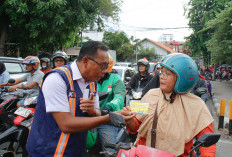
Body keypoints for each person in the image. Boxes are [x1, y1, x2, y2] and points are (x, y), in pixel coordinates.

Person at [26, 41, 133, 157]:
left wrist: (94, 111)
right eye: (103, 66)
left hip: (75, 151)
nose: (105, 70)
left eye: (107, 66)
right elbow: (65, 124)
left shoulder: (92, 83)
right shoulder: (56, 79)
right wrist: (108, 118)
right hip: (46, 152)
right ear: (86, 61)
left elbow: (96, 113)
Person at [121, 53, 216, 157]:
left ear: (182, 78)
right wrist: (129, 119)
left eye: (168, 74)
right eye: (161, 72)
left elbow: (208, 142)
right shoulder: (151, 95)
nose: (162, 77)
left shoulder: (196, 105)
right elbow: (135, 126)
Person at [97, 54, 126, 155]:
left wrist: (109, 107)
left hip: (107, 119)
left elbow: (119, 97)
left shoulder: (115, 79)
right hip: (88, 118)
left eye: (104, 64)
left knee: (109, 151)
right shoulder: (89, 78)